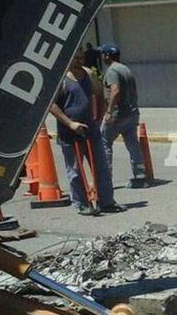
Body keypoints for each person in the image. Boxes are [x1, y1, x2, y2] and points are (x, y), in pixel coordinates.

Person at [49, 48, 126, 216]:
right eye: (75, 57)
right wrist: (70, 124)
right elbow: (51, 105)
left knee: (101, 167)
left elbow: (99, 94)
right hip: (70, 133)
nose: (79, 60)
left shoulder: (89, 74)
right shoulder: (60, 79)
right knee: (75, 171)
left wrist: (99, 117)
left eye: (81, 57)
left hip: (91, 131)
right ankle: (81, 204)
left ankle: (106, 201)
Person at [99, 44, 148, 188]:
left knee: (104, 142)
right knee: (133, 144)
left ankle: (105, 179)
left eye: (103, 54)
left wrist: (109, 111)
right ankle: (140, 176)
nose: (101, 56)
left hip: (117, 115)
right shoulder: (125, 69)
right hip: (131, 114)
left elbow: (115, 91)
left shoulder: (112, 71)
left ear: (107, 56)